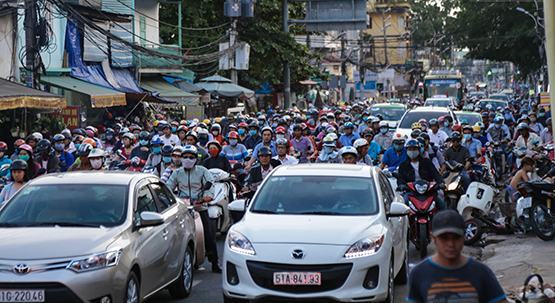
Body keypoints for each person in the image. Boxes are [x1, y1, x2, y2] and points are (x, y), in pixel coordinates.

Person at [408, 210, 507, 303]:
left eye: (456, 238)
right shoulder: (419, 274)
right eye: (444, 238)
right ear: (433, 238)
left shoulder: (481, 273)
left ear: (464, 237)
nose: (451, 244)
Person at [164, 145, 221, 273]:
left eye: (191, 157)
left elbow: (210, 184)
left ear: (196, 159)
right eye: (185, 157)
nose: (188, 159)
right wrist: (172, 198)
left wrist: (207, 197)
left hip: (199, 206)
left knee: (209, 235)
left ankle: (215, 262)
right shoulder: (177, 173)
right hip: (183, 208)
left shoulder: (203, 171)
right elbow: (168, 187)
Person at [397, 139, 445, 209]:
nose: (412, 151)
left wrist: (441, 182)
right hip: (411, 191)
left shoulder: (427, 162)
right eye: (410, 149)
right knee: (403, 203)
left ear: (419, 150)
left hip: (428, 190)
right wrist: (401, 185)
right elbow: (400, 178)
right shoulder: (403, 165)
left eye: (414, 149)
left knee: (441, 203)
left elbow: (436, 174)